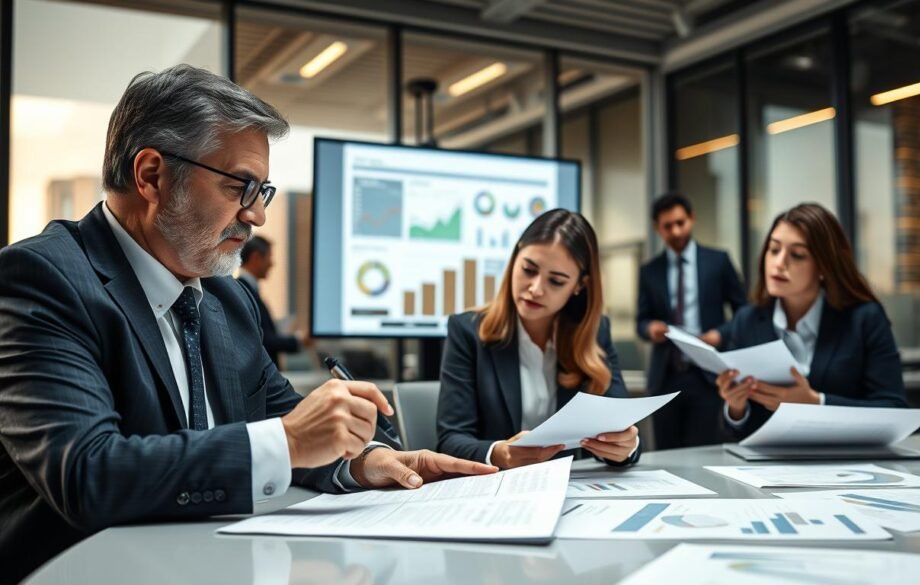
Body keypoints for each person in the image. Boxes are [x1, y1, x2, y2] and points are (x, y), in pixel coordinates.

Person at [0, 64, 494, 584]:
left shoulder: (226, 299)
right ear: (151, 175)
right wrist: (289, 440)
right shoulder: (41, 278)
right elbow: (86, 474)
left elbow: (291, 422)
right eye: (241, 186)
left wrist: (363, 460)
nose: (256, 215)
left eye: (264, 191)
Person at [437, 209, 641, 469]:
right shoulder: (467, 331)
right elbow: (449, 441)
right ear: (515, 259)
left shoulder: (595, 331)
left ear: (580, 285)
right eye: (528, 270)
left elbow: (623, 428)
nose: (536, 289)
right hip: (498, 488)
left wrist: (626, 446)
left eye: (556, 281)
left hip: (574, 491)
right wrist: (501, 453)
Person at [704, 203, 908, 438]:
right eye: (773, 249)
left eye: (797, 255)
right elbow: (735, 431)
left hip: (848, 464)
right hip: (767, 470)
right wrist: (735, 407)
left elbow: (895, 411)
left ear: (823, 267)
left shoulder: (864, 319)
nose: (779, 263)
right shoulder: (747, 320)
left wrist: (815, 402)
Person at [636, 193, 745, 449]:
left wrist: (720, 334)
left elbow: (744, 313)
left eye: (680, 223)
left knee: (706, 451)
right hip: (666, 376)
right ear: (657, 228)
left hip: (708, 376)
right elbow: (641, 320)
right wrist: (649, 328)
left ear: (692, 219)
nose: (675, 231)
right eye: (667, 226)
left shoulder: (718, 261)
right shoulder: (650, 271)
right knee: (665, 454)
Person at [237, 235, 308, 367]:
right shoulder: (243, 291)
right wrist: (298, 341)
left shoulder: (248, 290)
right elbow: (262, 339)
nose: (272, 263)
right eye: (269, 257)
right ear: (256, 257)